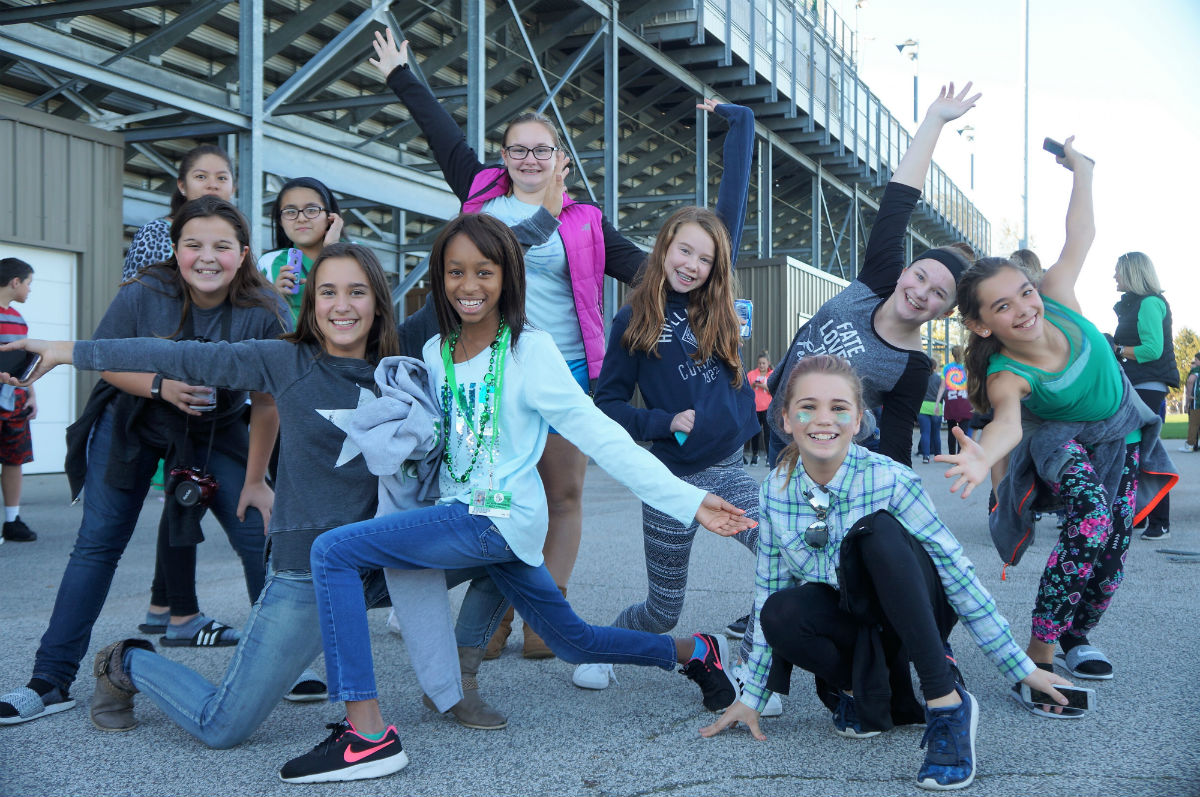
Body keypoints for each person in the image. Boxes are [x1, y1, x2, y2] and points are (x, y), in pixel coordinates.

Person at [277, 214, 756, 784]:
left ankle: (366, 736)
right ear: (440, 278)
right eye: (455, 271)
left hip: (500, 520)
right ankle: (695, 651)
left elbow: (600, 433)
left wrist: (688, 500)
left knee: (333, 552)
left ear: (507, 277)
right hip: (464, 515)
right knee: (574, 641)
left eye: (484, 271)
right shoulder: (433, 351)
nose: (468, 285)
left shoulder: (532, 351)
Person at [370, 28, 753, 659]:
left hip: (567, 368)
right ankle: (495, 616)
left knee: (563, 494)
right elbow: (442, 135)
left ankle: (546, 616)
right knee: (489, 493)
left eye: (541, 149)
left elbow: (659, 268)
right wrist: (400, 74)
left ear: (560, 159)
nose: (529, 158)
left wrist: (704, 248)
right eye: (517, 149)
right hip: (488, 365)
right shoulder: (480, 196)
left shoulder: (587, 221)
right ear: (503, 156)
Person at [0, 242, 440, 745]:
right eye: (328, 292)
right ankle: (129, 661)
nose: (342, 305)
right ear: (312, 303)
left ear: (379, 302)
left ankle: (463, 677)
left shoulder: (400, 364)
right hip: (304, 571)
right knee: (222, 726)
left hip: (377, 564)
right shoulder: (285, 359)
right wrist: (68, 351)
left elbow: (462, 288)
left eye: (357, 292)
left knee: (495, 545)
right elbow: (178, 355)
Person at [699, 354, 1072, 791]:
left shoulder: (889, 478)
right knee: (779, 610)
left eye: (839, 407)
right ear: (785, 419)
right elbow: (768, 590)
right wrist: (753, 697)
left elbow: (956, 571)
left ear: (859, 420)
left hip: (916, 612)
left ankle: (947, 703)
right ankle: (861, 692)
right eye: (808, 406)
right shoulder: (776, 491)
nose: (824, 419)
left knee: (875, 532)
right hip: (857, 621)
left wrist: (1020, 667)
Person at [0, 197, 289, 725]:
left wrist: (256, 480)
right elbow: (106, 360)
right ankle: (50, 679)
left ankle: (281, 664)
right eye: (193, 245)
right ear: (175, 250)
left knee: (259, 534)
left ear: (244, 254)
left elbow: (267, 400)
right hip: (132, 420)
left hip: (219, 428)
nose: (207, 257)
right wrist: (161, 386)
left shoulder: (266, 309)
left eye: (222, 246)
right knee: (98, 545)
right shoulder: (144, 291)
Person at [938, 138, 1177, 686]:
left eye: (1024, 293)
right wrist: (983, 460)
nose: (1025, 309)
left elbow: (1080, 234)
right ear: (981, 325)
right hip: (1061, 440)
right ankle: (1039, 653)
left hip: (1120, 433)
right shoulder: (1006, 373)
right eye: (1003, 307)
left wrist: (1082, 173)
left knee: (1113, 553)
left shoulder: (1058, 296)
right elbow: (1007, 423)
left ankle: (1077, 636)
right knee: (1090, 522)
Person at [580, 204, 772, 712]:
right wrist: (662, 422)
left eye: (705, 259)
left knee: (780, 552)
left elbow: (733, 382)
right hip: (670, 482)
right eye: (684, 250)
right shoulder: (632, 320)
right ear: (664, 247)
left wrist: (738, 118)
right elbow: (608, 404)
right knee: (663, 611)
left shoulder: (723, 312)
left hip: (728, 473)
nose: (692, 265)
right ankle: (603, 647)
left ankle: (752, 670)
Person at [766, 83, 980, 469]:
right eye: (920, 277)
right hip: (779, 434)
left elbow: (896, 453)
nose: (921, 292)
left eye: (938, 293)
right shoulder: (878, 280)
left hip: (835, 462)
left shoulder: (911, 367)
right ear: (903, 272)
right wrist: (934, 120)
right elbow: (898, 201)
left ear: (947, 311)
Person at [1111, 251, 1180, 540]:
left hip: (1147, 386)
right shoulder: (1135, 304)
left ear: (1132, 272)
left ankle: (1160, 522)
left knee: (1145, 451)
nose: (1114, 276)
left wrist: (1116, 350)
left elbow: (1152, 349)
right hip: (1138, 384)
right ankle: (1139, 515)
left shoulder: (1150, 303)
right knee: (1133, 451)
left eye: (1118, 270)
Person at [122, 144, 235, 282]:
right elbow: (136, 291)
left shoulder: (237, 235)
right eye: (201, 176)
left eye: (221, 178)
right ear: (182, 186)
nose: (213, 185)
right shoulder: (156, 233)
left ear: (233, 189)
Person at [256, 177, 345, 322]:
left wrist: (332, 249)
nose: (301, 218)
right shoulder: (268, 263)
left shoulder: (356, 254)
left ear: (331, 216)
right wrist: (274, 297)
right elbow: (252, 322)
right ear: (280, 221)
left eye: (312, 210)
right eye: (290, 212)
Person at [0, 257, 37, 542]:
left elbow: (24, 362)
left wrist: (31, 393)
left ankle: (12, 521)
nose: (29, 289)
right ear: (15, 282)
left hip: (15, 401)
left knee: (14, 459)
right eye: (28, 283)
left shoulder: (19, 319)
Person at [940, 346, 972, 456]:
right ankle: (961, 454)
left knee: (951, 431)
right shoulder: (967, 368)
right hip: (964, 400)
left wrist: (937, 403)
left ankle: (952, 455)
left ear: (952, 354)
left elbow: (942, 387)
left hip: (951, 400)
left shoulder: (947, 367)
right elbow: (971, 385)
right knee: (964, 432)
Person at [747, 352, 773, 465]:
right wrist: (753, 385)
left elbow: (775, 390)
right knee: (755, 433)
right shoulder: (751, 374)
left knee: (768, 433)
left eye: (763, 363)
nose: (761, 365)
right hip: (755, 408)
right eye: (759, 363)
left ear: (768, 363)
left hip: (767, 408)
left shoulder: (772, 374)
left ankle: (769, 456)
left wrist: (764, 386)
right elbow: (746, 390)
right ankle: (755, 455)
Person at [917, 360, 943, 464]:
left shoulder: (921, 377)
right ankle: (938, 455)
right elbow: (943, 393)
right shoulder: (939, 378)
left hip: (923, 407)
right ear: (935, 367)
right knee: (936, 433)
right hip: (936, 407)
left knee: (925, 433)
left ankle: (926, 456)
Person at [1184, 352, 1200, 452]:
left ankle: (1190, 445)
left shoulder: (1196, 370)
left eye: (1196, 360)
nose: (1195, 362)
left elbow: (1190, 381)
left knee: (1194, 424)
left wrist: (1188, 396)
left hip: (1197, 401)